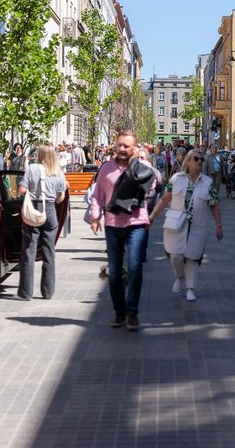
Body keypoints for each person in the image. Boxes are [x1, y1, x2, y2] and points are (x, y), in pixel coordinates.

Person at [88, 131, 155, 332]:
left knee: (135, 267)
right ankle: (119, 312)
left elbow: (153, 185)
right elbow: (98, 195)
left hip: (136, 223)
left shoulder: (143, 168)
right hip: (113, 224)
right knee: (115, 271)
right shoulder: (106, 168)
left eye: (127, 146)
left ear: (134, 148)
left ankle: (132, 312)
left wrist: (137, 165)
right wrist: (94, 216)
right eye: (120, 145)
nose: (123, 149)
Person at [149, 148, 223, 302]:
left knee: (192, 257)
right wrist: (152, 216)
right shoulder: (176, 179)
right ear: (188, 161)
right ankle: (178, 276)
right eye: (196, 159)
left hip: (198, 226)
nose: (199, 162)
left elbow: (214, 204)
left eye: (201, 160)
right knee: (175, 255)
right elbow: (164, 200)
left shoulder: (208, 183)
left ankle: (190, 288)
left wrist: (218, 225)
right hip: (176, 224)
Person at [16, 145, 67, 301]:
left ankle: (26, 292)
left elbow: (21, 190)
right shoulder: (58, 172)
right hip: (50, 211)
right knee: (49, 252)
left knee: (28, 251)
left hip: (33, 210)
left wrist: (32, 190)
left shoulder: (32, 169)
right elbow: (60, 198)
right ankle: (47, 291)